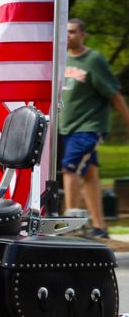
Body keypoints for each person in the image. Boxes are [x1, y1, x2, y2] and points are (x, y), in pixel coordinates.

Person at [60, 18, 129, 239]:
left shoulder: (94, 60)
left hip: (89, 126)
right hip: (66, 127)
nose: (68, 35)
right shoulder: (59, 59)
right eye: (65, 32)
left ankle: (71, 225)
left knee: (70, 168)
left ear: (82, 34)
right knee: (89, 174)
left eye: (72, 32)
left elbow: (114, 94)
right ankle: (100, 227)